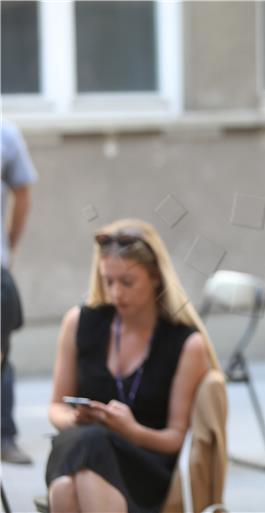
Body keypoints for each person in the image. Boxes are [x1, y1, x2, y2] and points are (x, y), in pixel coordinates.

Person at [46, 218, 221, 513]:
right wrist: (77, 419)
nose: (116, 293)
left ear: (155, 276)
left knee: (71, 482)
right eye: (108, 281)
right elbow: (55, 408)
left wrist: (130, 430)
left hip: (144, 464)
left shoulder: (185, 344)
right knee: (81, 462)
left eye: (127, 282)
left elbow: (176, 437)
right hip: (81, 450)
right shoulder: (79, 322)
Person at [1, 120, 37, 465]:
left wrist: (9, 246)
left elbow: (23, 191)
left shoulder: (5, 134)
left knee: (0, 358)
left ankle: (3, 436)